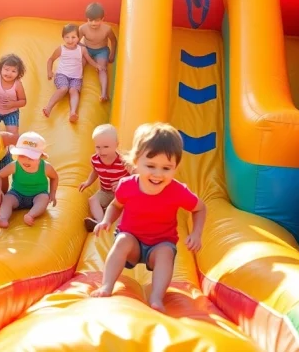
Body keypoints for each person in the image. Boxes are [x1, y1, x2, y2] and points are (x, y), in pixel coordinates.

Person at [90, 122, 207, 312]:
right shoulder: (127, 185)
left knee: (165, 254)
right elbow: (116, 205)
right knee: (122, 241)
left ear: (176, 167)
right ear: (136, 162)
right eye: (150, 165)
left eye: (166, 168)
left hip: (160, 243)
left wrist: (196, 233)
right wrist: (106, 220)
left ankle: (156, 298)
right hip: (133, 241)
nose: (157, 174)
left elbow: (200, 208)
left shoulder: (177, 191)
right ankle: (106, 286)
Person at [0, 132, 59, 228]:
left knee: (44, 199)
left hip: (38, 194)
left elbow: (54, 177)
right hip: (17, 194)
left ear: (40, 156)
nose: (26, 161)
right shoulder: (14, 165)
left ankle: (31, 215)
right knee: (7, 199)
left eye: (31, 157)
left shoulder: (46, 167)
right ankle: (3, 219)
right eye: (22, 156)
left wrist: (52, 193)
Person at [43, 23, 104, 122]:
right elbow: (50, 59)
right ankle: (49, 107)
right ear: (63, 37)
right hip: (62, 74)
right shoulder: (61, 49)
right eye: (67, 37)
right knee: (64, 88)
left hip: (76, 77)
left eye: (73, 37)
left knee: (73, 91)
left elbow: (89, 60)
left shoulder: (82, 49)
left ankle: (73, 113)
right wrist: (49, 72)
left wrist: (97, 65)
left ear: (78, 38)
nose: (70, 40)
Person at [79, 124, 130, 232]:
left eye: (106, 147)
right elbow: (95, 172)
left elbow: (134, 177)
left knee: (128, 206)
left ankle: (119, 224)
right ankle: (100, 222)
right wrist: (88, 182)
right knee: (92, 200)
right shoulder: (95, 160)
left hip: (121, 193)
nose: (101, 151)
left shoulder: (123, 161)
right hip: (105, 191)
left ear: (116, 145)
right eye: (98, 147)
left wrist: (123, 183)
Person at [79, 2, 117, 102]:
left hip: (101, 50)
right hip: (87, 48)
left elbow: (113, 40)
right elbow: (77, 42)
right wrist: (81, 48)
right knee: (80, 63)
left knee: (102, 69)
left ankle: (104, 93)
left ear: (102, 19)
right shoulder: (82, 28)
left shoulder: (107, 29)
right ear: (87, 19)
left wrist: (112, 53)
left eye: (97, 20)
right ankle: (76, 86)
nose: (93, 23)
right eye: (90, 20)